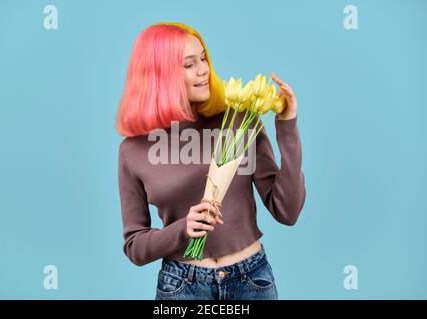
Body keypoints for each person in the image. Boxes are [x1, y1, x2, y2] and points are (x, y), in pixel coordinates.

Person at [116, 22, 306, 300]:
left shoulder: (240, 120)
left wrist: (287, 125)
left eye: (203, 58)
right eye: (189, 64)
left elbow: (287, 211)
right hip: (181, 286)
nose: (204, 69)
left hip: (251, 281)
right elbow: (135, 247)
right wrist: (183, 229)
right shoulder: (132, 151)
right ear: (160, 74)